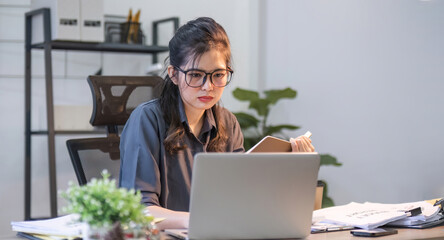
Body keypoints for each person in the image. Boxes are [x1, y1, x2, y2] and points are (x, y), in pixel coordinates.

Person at [119, 17, 315, 230]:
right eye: (195, 75)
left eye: (218, 75)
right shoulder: (147, 119)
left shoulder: (227, 122)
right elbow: (138, 210)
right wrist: (200, 220)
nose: (208, 87)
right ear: (174, 75)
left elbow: (243, 199)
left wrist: (293, 170)